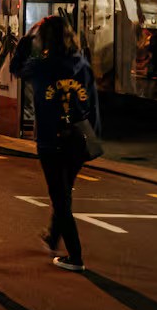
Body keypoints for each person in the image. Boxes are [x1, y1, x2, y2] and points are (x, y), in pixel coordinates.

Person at [11, 15, 100, 272]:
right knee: (64, 191)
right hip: (79, 139)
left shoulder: (41, 65)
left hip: (51, 139)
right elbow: (92, 103)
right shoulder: (81, 64)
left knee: (59, 197)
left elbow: (16, 68)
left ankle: (75, 256)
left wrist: (26, 40)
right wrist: (92, 137)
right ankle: (53, 235)